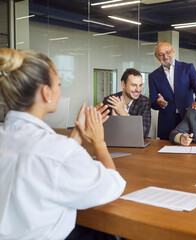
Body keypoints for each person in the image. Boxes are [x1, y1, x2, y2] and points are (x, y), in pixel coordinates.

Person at [0, 48, 126, 239]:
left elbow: (50, 162)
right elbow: (113, 185)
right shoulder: (58, 151)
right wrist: (99, 141)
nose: (60, 89)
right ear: (46, 92)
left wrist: (76, 136)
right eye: (58, 84)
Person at [149, 41, 196, 140]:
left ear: (173, 51)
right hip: (166, 123)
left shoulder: (188, 68)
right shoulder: (153, 76)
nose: (165, 56)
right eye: (161, 54)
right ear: (156, 56)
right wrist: (159, 103)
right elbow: (153, 101)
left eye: (168, 52)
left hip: (188, 118)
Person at [103, 68, 151, 138]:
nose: (138, 89)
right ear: (123, 84)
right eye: (134, 85)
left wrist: (122, 112)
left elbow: (144, 132)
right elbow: (104, 132)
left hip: (136, 145)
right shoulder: (110, 101)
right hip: (115, 142)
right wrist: (114, 119)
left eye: (140, 85)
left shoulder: (145, 102)